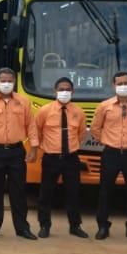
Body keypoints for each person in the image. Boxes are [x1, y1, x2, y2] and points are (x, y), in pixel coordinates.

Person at [0, 68, 39, 239]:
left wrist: (33, 148)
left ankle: (22, 228)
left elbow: (31, 126)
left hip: (17, 151)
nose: (6, 84)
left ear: (14, 82)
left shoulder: (23, 102)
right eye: (3, 80)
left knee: (18, 191)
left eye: (10, 81)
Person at [90, 71, 127, 241]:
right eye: (120, 83)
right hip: (111, 153)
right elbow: (95, 128)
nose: (123, 86)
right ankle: (103, 226)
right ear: (113, 85)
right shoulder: (105, 106)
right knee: (105, 191)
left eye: (126, 83)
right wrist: (107, 140)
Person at [35, 77, 88, 238]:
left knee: (73, 193)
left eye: (67, 89)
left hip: (71, 158)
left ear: (73, 92)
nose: (64, 92)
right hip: (50, 158)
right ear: (55, 91)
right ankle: (44, 225)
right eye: (61, 89)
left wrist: (70, 148)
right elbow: (37, 132)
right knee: (46, 193)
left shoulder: (78, 112)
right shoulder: (45, 111)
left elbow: (81, 135)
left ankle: (75, 225)